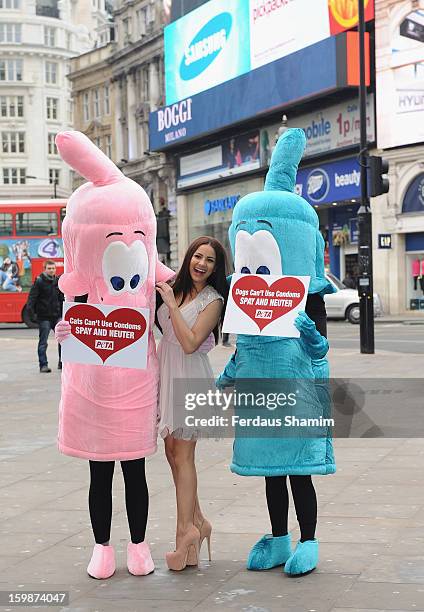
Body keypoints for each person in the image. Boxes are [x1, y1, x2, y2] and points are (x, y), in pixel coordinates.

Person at [52, 130, 175, 580]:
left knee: (136, 473)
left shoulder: (154, 282)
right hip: (95, 388)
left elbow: (180, 311)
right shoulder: (80, 287)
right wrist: (67, 330)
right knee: (100, 476)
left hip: (135, 385)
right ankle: (103, 547)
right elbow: (73, 313)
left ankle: (138, 546)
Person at [217, 128, 336, 577]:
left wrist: (308, 330)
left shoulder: (310, 297)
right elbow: (245, 345)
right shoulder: (244, 297)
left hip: (298, 393)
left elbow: (320, 349)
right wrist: (229, 374)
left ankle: (308, 540)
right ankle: (280, 537)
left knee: (299, 472)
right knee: (272, 472)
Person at [155, 236, 228, 571]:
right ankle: (198, 521)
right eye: (198, 256)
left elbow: (189, 343)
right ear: (188, 258)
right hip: (166, 370)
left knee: (184, 455)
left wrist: (171, 305)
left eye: (210, 261)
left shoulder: (213, 300)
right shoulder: (171, 283)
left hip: (190, 374)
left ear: (215, 268)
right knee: (171, 453)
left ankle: (184, 532)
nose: (202, 264)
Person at [26, 260, 63, 372]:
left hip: (57, 316)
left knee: (63, 340)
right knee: (43, 342)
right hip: (44, 317)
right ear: (45, 269)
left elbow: (61, 299)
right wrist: (33, 316)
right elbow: (31, 299)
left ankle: (62, 362)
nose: (52, 270)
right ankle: (43, 365)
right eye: (49, 268)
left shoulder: (57, 281)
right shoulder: (39, 281)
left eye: (53, 268)